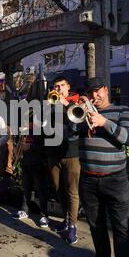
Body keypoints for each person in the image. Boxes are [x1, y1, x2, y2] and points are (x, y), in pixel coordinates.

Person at [75, 76, 129, 257]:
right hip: (88, 179)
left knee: (121, 228)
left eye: (98, 90)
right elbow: (69, 137)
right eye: (90, 92)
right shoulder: (83, 115)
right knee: (96, 226)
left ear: (106, 90)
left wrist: (104, 122)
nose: (95, 95)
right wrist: (76, 119)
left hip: (116, 180)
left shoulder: (122, 111)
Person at [46, 76, 81, 244]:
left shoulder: (75, 102)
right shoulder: (50, 103)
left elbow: (78, 124)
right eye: (55, 86)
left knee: (72, 191)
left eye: (61, 86)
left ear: (68, 87)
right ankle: (66, 220)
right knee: (58, 189)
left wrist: (65, 103)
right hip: (53, 153)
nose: (58, 89)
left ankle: (73, 226)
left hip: (71, 154)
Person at [11, 122, 50, 228]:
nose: (25, 124)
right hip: (26, 163)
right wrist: (17, 147)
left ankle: (44, 215)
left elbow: (45, 148)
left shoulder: (42, 131)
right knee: (26, 188)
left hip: (38, 164)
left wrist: (31, 146)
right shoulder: (25, 132)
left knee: (41, 190)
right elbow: (19, 146)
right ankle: (24, 210)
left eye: (28, 122)